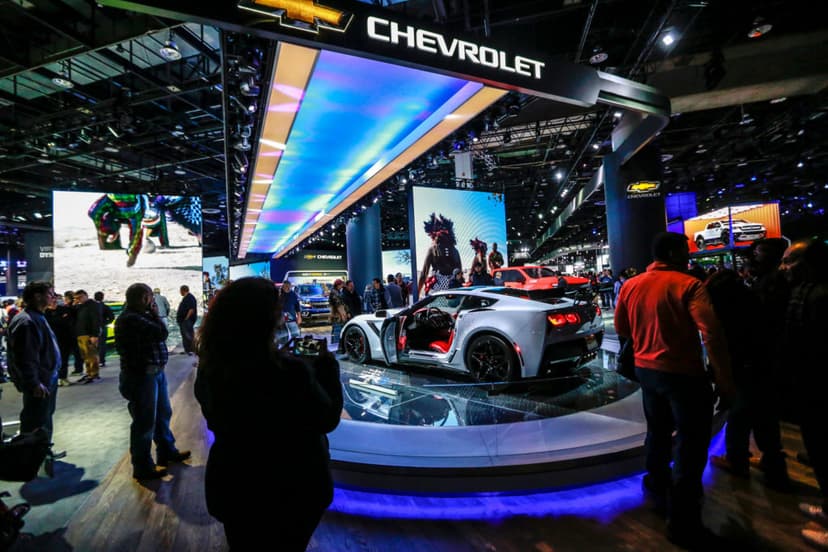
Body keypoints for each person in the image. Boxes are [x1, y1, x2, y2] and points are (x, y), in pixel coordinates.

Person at [194, 277, 342, 550]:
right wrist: (325, 368)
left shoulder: (210, 368)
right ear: (265, 318)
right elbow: (328, 418)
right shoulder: (290, 373)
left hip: (234, 486)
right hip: (294, 487)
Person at [614, 232, 733, 547]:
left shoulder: (631, 285)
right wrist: (724, 378)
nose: (689, 256)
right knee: (691, 447)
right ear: (673, 252)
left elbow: (622, 329)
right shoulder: (690, 285)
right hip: (683, 375)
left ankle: (655, 487)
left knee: (657, 430)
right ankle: (683, 524)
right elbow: (711, 333)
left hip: (646, 372)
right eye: (685, 250)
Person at [777, 238, 828, 549]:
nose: (783, 267)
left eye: (790, 261)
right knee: (819, 450)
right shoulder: (802, 292)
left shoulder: (821, 296)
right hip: (809, 387)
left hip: (821, 387)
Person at [114, 283, 190, 480]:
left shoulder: (138, 316)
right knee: (144, 422)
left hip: (153, 373)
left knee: (162, 414)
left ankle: (166, 452)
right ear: (144, 298)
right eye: (150, 296)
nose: (152, 300)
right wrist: (156, 314)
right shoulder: (131, 318)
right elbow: (161, 334)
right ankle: (143, 466)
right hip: (141, 376)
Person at [7, 282, 61, 444]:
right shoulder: (27, 321)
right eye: (50, 294)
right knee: (36, 422)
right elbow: (26, 357)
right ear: (38, 296)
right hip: (40, 383)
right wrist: (34, 382)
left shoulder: (37, 317)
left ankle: (42, 453)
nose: (54, 297)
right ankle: (31, 459)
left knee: (43, 418)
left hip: (46, 378)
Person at [418, 213, 461, 296]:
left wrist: (417, 293)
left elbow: (424, 274)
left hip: (438, 293)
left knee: (433, 307)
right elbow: (459, 274)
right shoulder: (455, 251)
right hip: (454, 291)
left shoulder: (433, 249)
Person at [74, 289, 102, 383]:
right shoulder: (80, 307)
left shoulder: (93, 305)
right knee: (85, 355)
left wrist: (95, 335)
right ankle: (88, 372)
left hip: (89, 334)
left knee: (91, 355)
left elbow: (96, 320)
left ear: (86, 295)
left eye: (80, 297)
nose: (79, 299)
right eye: (77, 298)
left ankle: (94, 373)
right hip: (81, 333)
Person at [94, 291, 115, 368]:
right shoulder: (105, 306)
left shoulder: (91, 306)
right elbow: (111, 317)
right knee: (102, 345)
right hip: (102, 327)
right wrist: (105, 323)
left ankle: (94, 361)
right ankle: (101, 361)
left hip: (92, 329)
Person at [279, 281, 302, 346]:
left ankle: (297, 348)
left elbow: (297, 306)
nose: (287, 288)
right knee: (283, 336)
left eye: (288, 286)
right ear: (283, 287)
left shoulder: (293, 294)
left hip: (291, 318)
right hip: (281, 320)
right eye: (285, 286)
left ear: (290, 286)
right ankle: (283, 349)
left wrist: (299, 317)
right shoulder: (279, 294)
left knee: (295, 334)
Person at [176, 285, 197, 355]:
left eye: (180, 291)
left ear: (183, 290)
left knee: (188, 335)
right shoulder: (187, 298)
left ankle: (191, 350)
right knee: (185, 335)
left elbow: (191, 309)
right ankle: (187, 350)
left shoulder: (189, 298)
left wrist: (186, 318)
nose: (180, 292)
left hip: (187, 320)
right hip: (184, 320)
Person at [329, 279, 348, 348]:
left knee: (337, 331)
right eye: (342, 284)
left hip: (338, 315)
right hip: (337, 316)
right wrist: (343, 315)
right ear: (338, 285)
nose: (342, 286)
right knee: (337, 332)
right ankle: (335, 348)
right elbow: (338, 305)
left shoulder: (337, 291)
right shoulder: (334, 292)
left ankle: (336, 347)